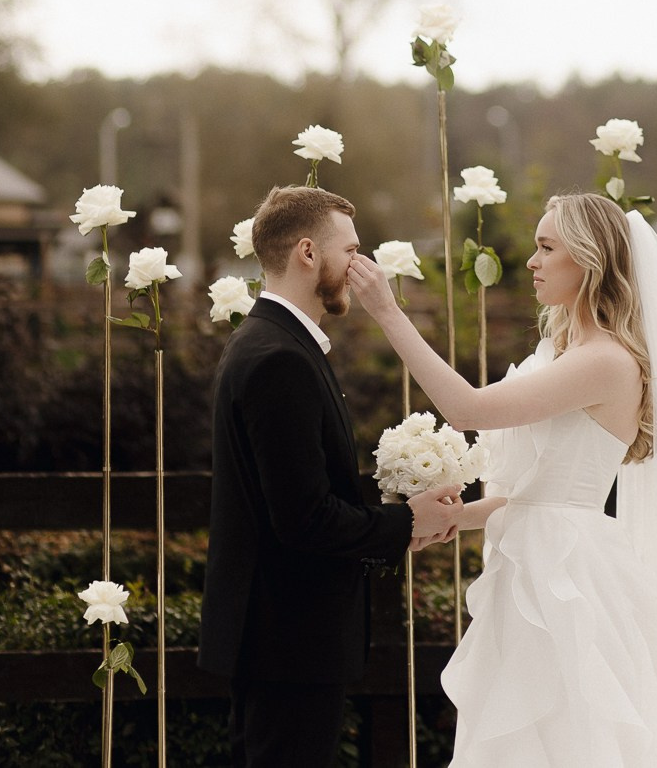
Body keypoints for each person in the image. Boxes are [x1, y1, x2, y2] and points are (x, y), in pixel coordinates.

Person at [348, 191, 657, 768]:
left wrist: (388, 312)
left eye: (547, 247)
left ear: (590, 260)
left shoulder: (604, 361)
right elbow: (535, 492)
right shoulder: (557, 353)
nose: (532, 261)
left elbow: (468, 411)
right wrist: (462, 515)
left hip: (567, 579)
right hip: (528, 562)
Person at [198, 184, 462, 768]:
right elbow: (303, 518)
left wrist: (406, 520)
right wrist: (404, 522)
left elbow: (300, 495)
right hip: (288, 640)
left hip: (280, 639)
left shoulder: (274, 344)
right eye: (353, 249)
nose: (360, 266)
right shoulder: (279, 359)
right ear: (309, 253)